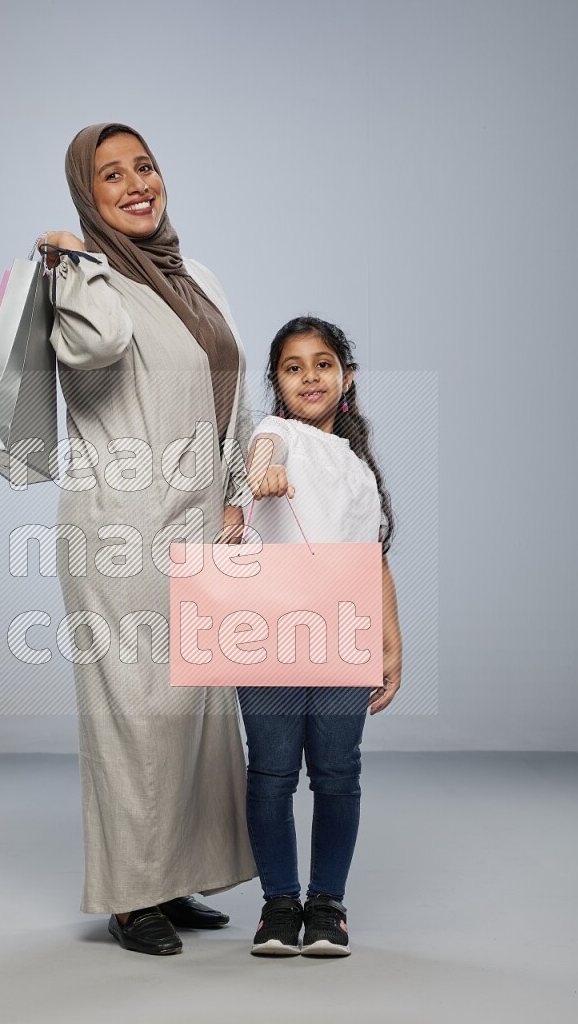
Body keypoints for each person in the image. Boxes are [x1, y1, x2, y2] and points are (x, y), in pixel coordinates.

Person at [37, 122, 258, 956]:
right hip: (119, 530)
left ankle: (176, 876)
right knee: (136, 711)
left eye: (146, 167)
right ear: (84, 198)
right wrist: (68, 257)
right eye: (110, 176)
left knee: (197, 712)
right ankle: (133, 898)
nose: (136, 184)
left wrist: (238, 493)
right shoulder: (79, 281)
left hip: (199, 520)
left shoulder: (194, 276)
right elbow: (96, 348)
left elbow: (231, 399)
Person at [237, 316, 402, 957]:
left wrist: (392, 643)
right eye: (293, 366)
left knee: (338, 774)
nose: (310, 376)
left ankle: (326, 904)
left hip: (344, 635)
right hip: (270, 636)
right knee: (272, 775)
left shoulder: (359, 468)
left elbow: (374, 560)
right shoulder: (275, 432)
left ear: (347, 377)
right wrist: (263, 469)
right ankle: (279, 905)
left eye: (323, 363)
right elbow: (264, 452)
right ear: (277, 384)